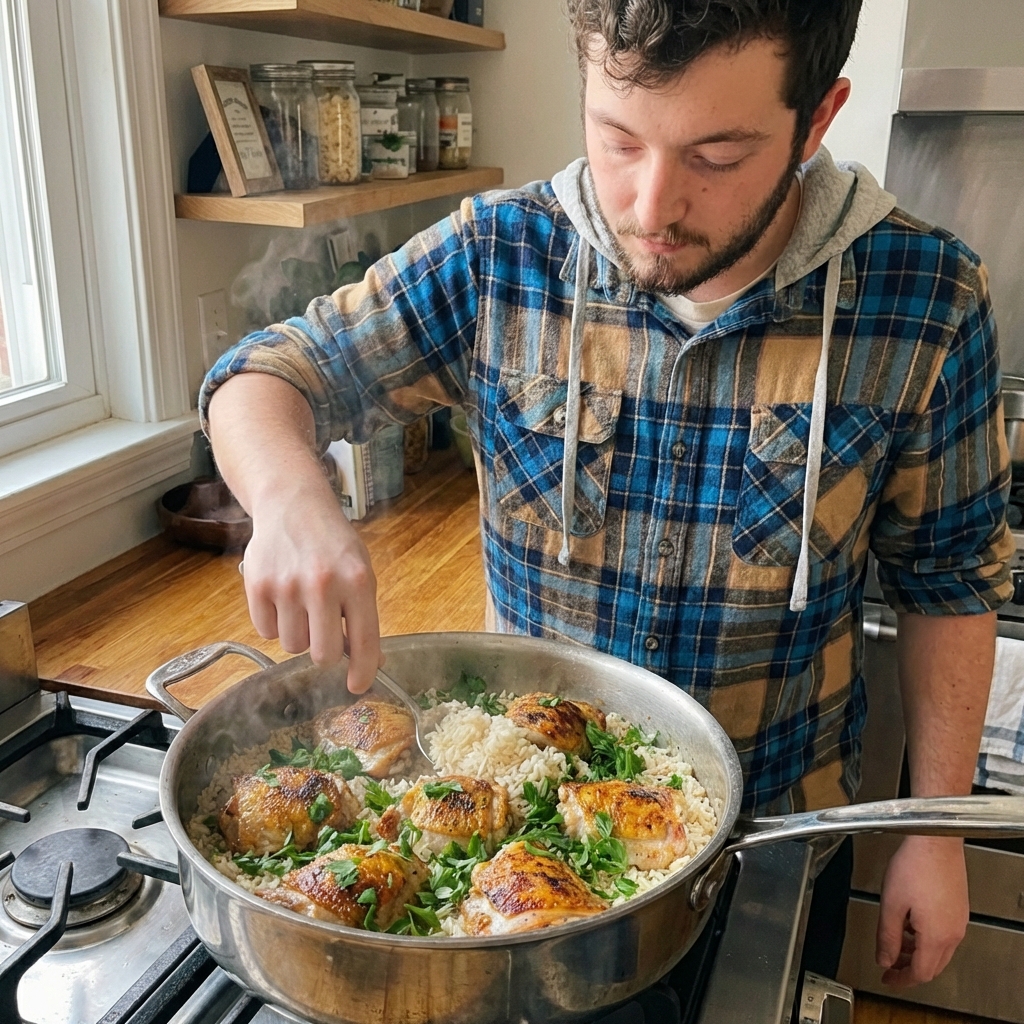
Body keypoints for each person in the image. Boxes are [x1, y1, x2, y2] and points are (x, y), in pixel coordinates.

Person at [202, 0, 1012, 992]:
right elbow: (267, 371)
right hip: (508, 874)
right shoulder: (500, 254)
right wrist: (290, 496)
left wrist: (932, 830)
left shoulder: (927, 299)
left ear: (817, 118)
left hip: (769, 844)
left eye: (716, 155)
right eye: (616, 138)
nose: (648, 204)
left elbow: (949, 585)